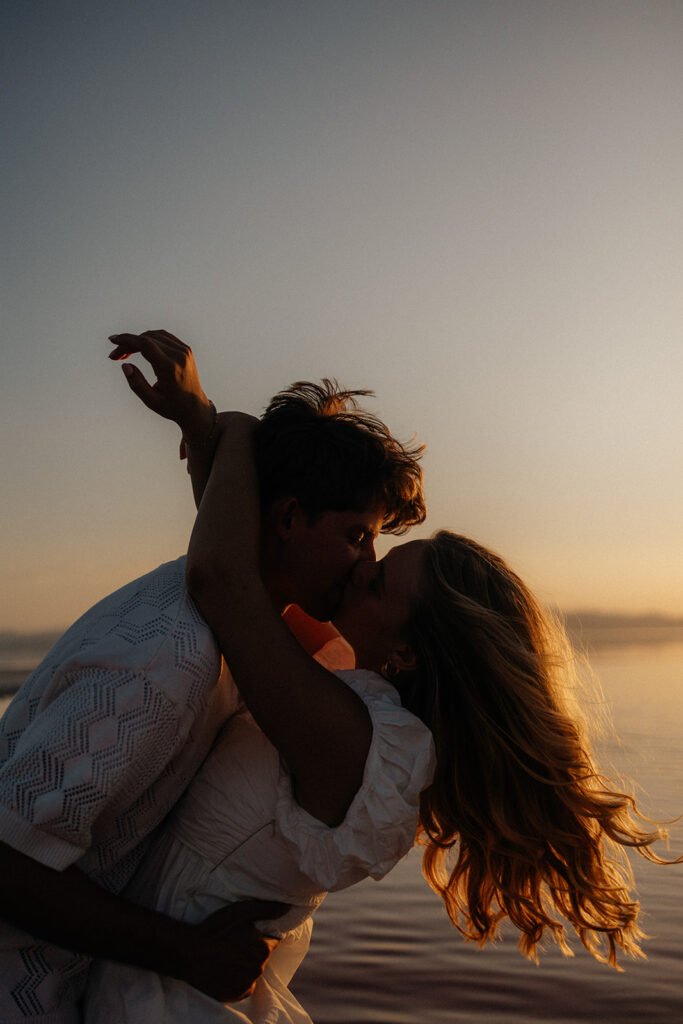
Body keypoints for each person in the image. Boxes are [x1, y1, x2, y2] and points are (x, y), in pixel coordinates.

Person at [85, 343, 677, 1022]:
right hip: (153, 972)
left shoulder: (357, 740)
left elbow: (223, 584)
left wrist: (240, 427)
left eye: (377, 579)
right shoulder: (345, 688)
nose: (360, 566)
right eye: (366, 547)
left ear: (408, 648)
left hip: (171, 999)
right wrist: (200, 428)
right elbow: (257, 573)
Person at [0, 333, 426, 1024]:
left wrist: (210, 426)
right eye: (357, 536)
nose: (364, 563)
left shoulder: (244, 628)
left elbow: (229, 542)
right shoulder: (165, 666)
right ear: (289, 517)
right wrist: (187, 952)